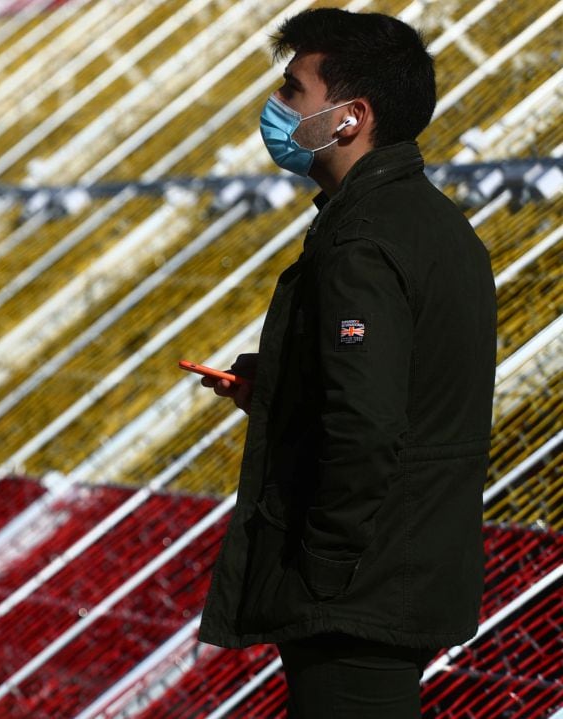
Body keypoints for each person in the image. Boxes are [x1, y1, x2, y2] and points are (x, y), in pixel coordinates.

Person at [194, 9, 497, 718]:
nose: (277, 108)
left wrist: (324, 565)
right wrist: (278, 388)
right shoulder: (430, 222)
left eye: (294, 90)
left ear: (350, 116)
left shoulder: (363, 238)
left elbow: (366, 425)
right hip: (401, 571)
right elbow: (407, 383)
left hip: (362, 591)